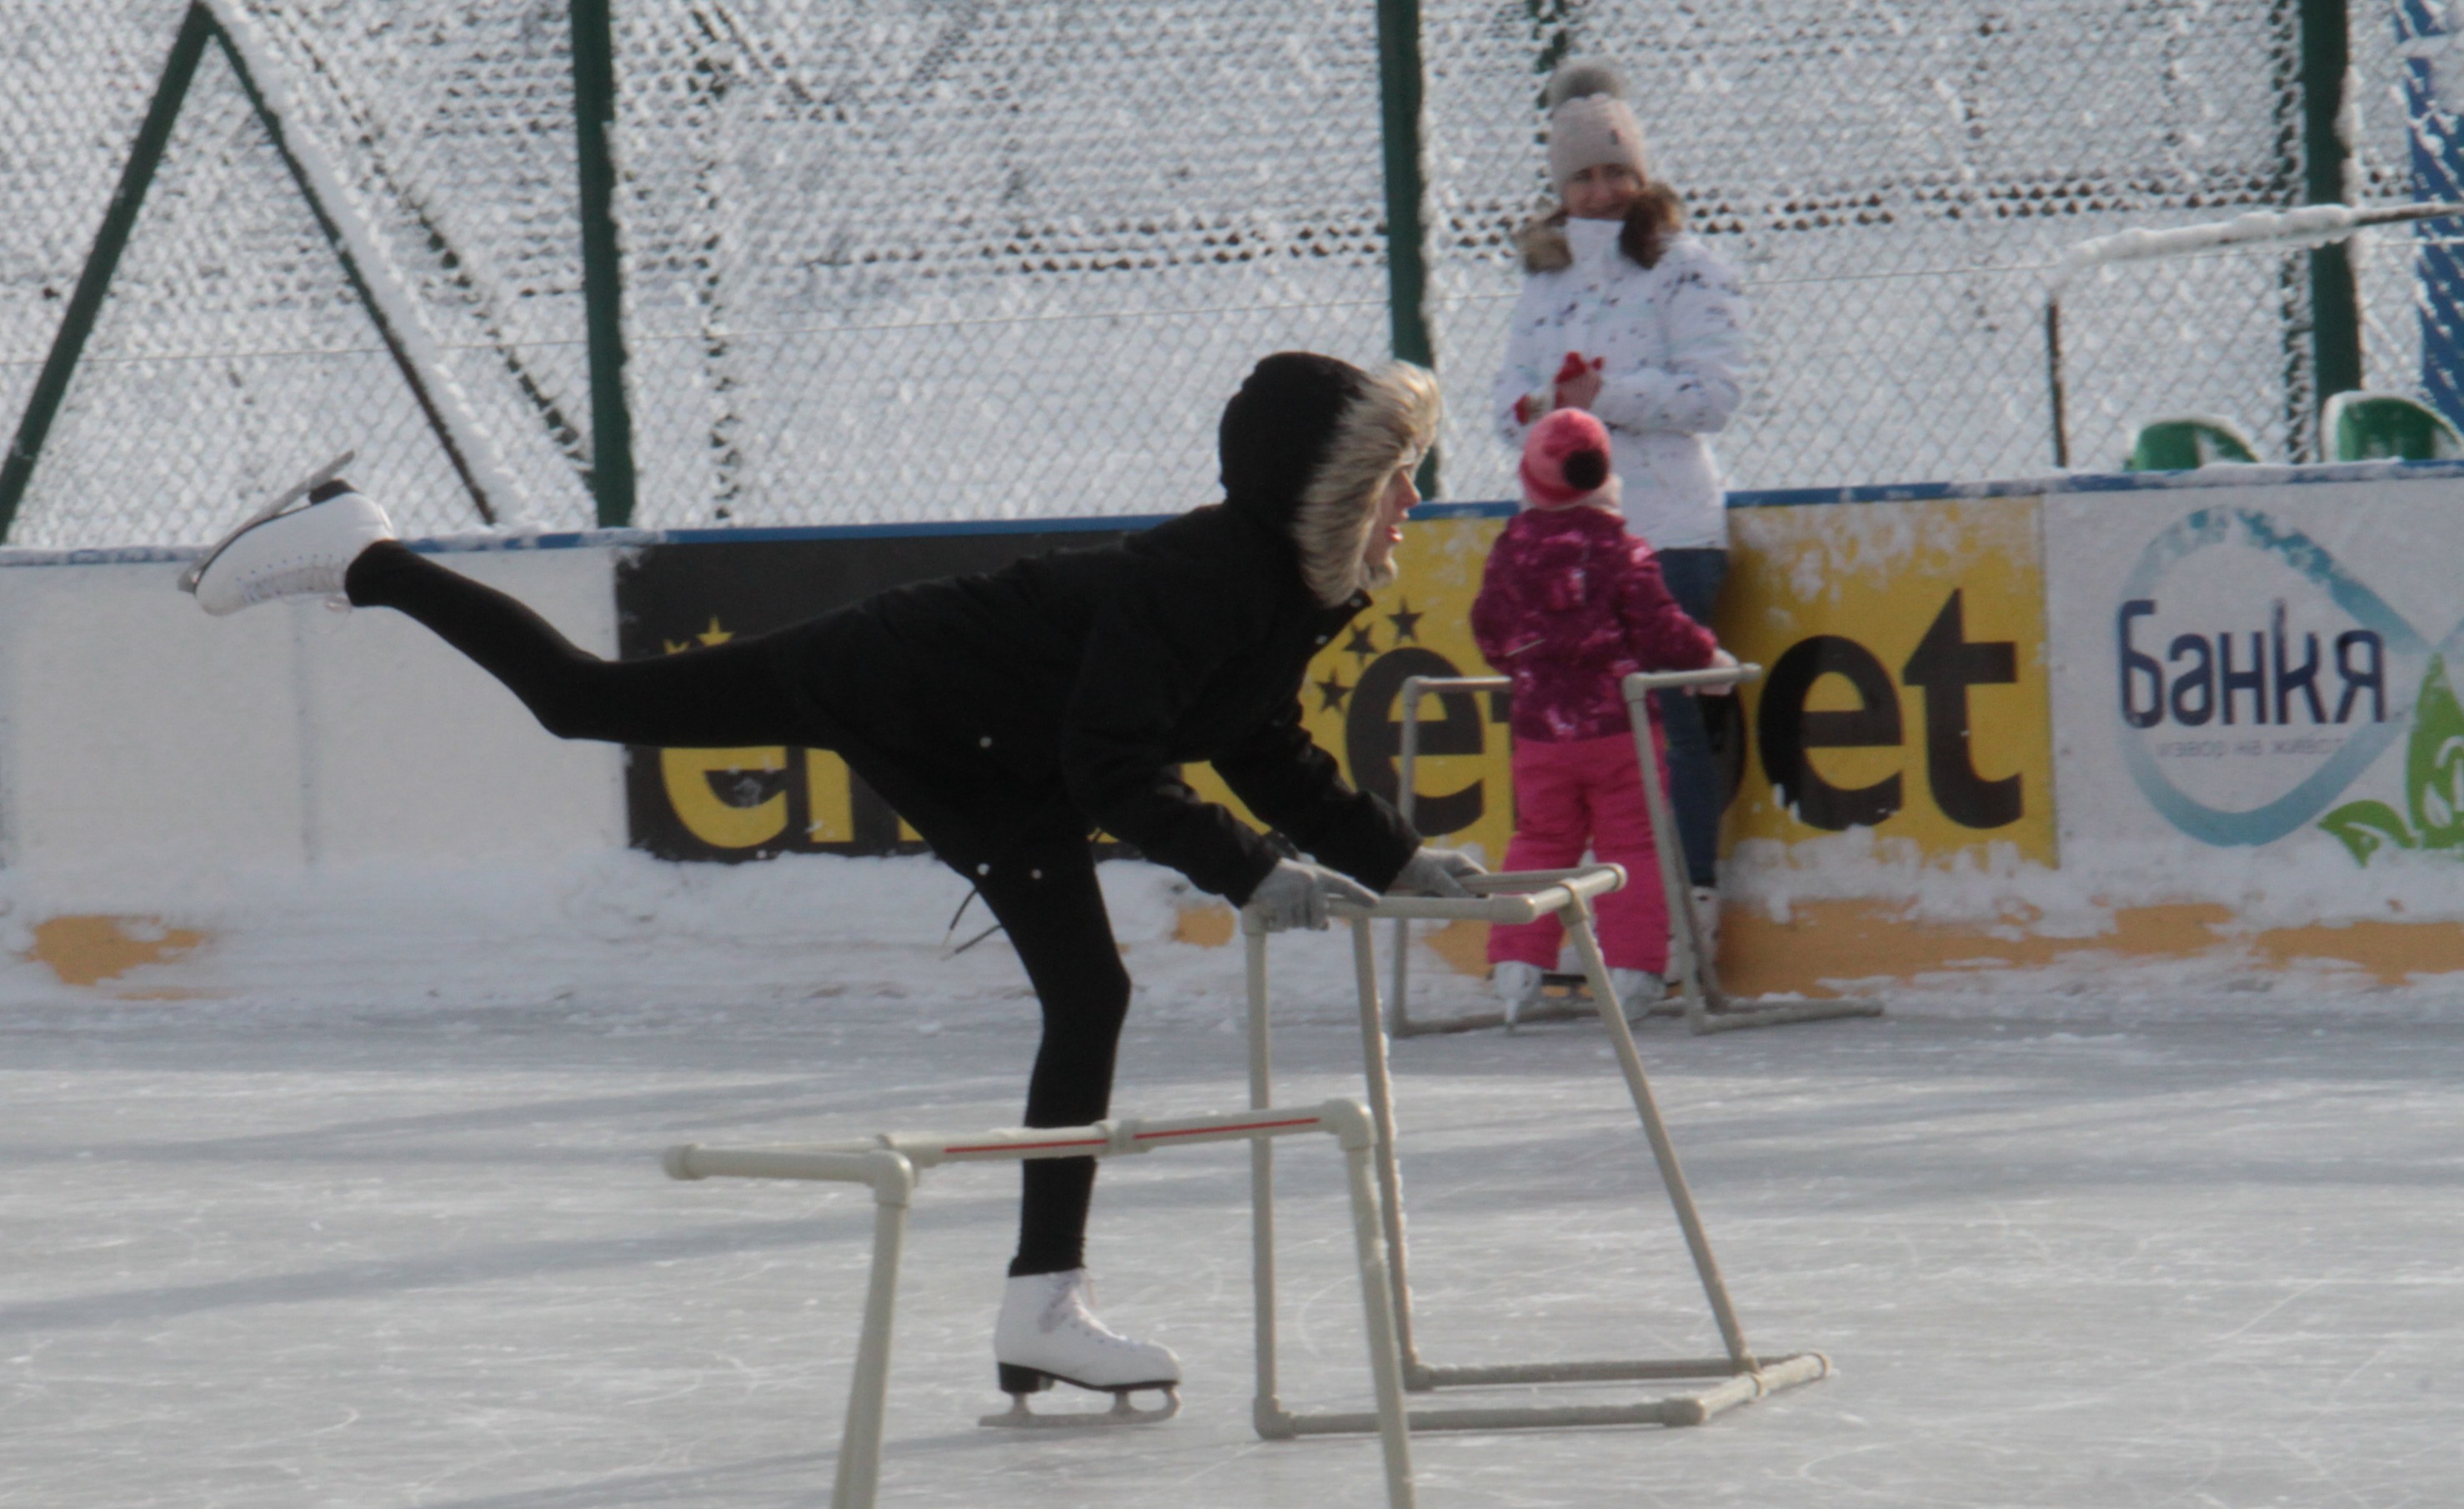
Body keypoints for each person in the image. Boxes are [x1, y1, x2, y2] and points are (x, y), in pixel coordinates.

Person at [184, 352, 1480, 1416]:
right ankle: (366, 555)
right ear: (1321, 493)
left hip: (1002, 754)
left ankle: (1042, 1308)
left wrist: (1398, 861)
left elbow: (1257, 743)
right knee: (587, 701)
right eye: (1392, 480)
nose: (1409, 503)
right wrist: (1251, 870)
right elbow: (1113, 765)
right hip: (909, 686)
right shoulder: (1203, 585)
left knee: (1089, 996)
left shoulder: (1288, 593)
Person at [1490, 58, 1747, 983]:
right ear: (1560, 188)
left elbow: (1714, 395)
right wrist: (1541, 411)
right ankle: (1596, 927)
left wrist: (1606, 399)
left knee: (1668, 728)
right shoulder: (1546, 281)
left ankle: (1684, 920)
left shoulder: (1686, 271)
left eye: (1616, 173)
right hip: (1564, 545)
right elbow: (1503, 405)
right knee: (1572, 740)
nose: (1602, 192)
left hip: (1666, 531)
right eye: (1584, 177)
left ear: (1642, 176)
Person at [1473, 409, 1730, 1027]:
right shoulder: (1620, 550)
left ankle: (1516, 967)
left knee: (1539, 840)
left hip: (1541, 732)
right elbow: (1660, 628)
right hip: (1619, 731)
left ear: (1531, 477)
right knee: (1632, 846)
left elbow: (1491, 631)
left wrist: (1528, 670)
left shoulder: (1512, 550)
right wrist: (1708, 660)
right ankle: (1634, 972)